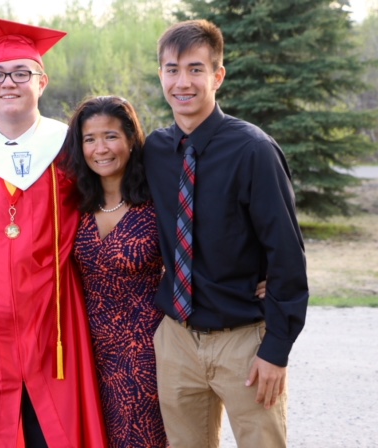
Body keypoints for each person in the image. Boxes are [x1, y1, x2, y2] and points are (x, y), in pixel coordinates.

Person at [0, 19, 108, 447]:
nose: (7, 83)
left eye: (21, 73)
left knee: (52, 431)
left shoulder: (71, 147)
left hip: (55, 322)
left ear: (42, 81)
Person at [144, 19, 309, 447]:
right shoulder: (155, 152)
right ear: (160, 73)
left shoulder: (254, 150)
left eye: (196, 69)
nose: (183, 82)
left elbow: (287, 255)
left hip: (244, 343)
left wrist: (276, 349)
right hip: (177, 341)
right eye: (172, 69)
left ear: (218, 75)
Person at [59, 95, 168, 447]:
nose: (100, 149)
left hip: (146, 356)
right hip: (86, 352)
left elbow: (204, 249)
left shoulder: (156, 203)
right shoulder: (75, 205)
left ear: (132, 140)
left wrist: (256, 278)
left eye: (110, 136)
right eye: (90, 139)